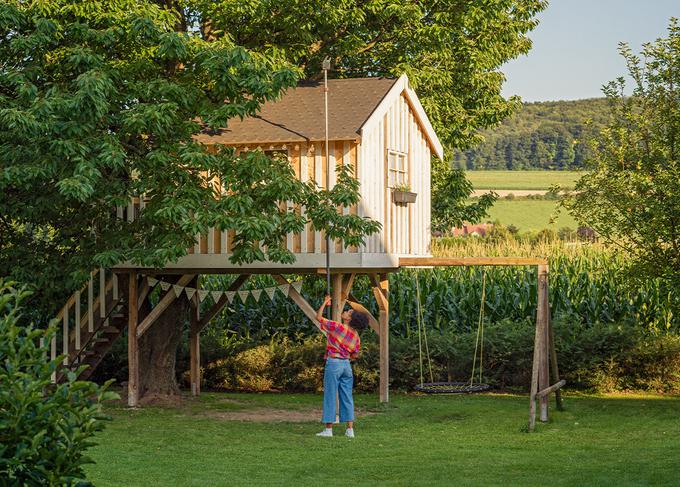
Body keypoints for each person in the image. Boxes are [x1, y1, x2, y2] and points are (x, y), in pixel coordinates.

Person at [314, 294, 369, 438]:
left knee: (331, 395)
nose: (345, 312)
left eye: (348, 312)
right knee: (347, 396)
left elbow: (318, 317)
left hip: (334, 363)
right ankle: (350, 430)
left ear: (349, 319)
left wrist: (324, 302)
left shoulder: (337, 327)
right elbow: (355, 355)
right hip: (346, 366)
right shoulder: (356, 336)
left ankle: (328, 430)